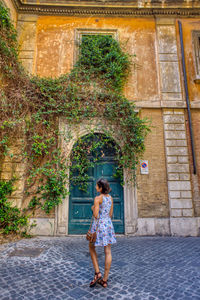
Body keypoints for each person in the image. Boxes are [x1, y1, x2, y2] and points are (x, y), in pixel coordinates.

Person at [89, 178, 117, 288]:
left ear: (100, 188)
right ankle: (104, 280)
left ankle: (97, 272)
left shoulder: (98, 198)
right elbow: (110, 214)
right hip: (108, 225)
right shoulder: (110, 198)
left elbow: (96, 214)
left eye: (97, 186)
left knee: (91, 247)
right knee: (108, 251)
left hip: (98, 225)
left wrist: (93, 208)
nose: (96, 187)